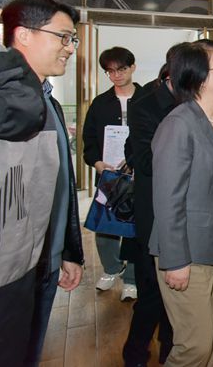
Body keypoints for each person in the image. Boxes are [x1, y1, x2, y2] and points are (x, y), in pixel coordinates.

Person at [149, 42, 213, 367]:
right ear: (199, 77)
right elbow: (168, 200)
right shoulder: (178, 125)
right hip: (188, 251)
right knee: (194, 346)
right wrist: (175, 260)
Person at [0, 0, 85, 366]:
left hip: (44, 261)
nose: (70, 48)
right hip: (12, 270)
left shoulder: (46, 98)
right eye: (63, 37)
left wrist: (68, 251)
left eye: (72, 39)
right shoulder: (11, 99)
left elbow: (58, 188)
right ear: (24, 35)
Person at [122, 47, 181, 367]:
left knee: (178, 295)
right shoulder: (146, 104)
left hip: (186, 215)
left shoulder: (202, 103)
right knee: (152, 292)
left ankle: (169, 352)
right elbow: (142, 158)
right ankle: (135, 353)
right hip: (155, 212)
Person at [82, 46, 142, 301]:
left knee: (136, 226)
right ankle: (111, 268)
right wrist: (96, 163)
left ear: (132, 67)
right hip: (108, 174)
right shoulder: (100, 103)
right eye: (110, 71)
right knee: (105, 223)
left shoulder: (147, 98)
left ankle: (132, 278)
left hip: (140, 175)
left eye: (121, 69)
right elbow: (89, 139)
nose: (116, 75)